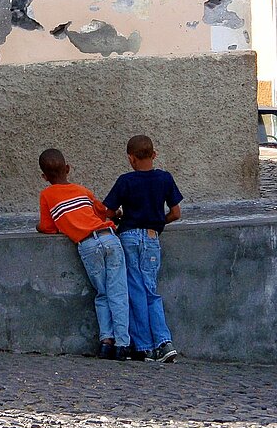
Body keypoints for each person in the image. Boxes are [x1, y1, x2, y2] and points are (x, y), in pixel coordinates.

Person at [36, 148, 130, 361]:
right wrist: (117, 214)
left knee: (102, 293)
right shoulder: (82, 190)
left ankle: (106, 342)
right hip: (108, 237)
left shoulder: (46, 195)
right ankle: (123, 344)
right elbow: (103, 211)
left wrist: (42, 227)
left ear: (43, 177)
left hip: (87, 245)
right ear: (68, 168)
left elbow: (47, 227)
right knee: (118, 292)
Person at [103, 135, 183, 363]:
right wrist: (158, 221)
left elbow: (107, 211)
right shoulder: (165, 179)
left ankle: (145, 346)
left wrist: (119, 215)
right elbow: (176, 213)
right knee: (151, 290)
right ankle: (164, 342)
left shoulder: (125, 181)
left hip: (128, 236)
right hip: (151, 237)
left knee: (135, 291)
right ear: (154, 154)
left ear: (131, 159)